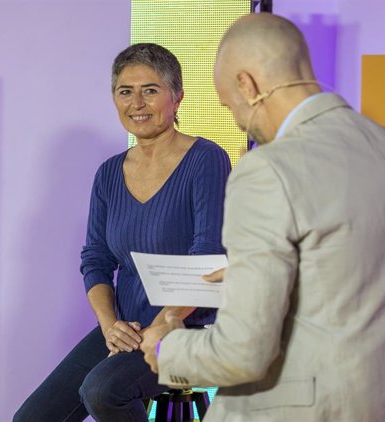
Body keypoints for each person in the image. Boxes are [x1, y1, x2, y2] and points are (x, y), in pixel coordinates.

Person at [141, 13, 385, 422]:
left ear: (247, 86)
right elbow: (365, 273)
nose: (237, 121)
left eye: (229, 106)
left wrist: (167, 349)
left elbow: (242, 353)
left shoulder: (266, 170)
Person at [14, 43, 231, 421]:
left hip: (190, 325)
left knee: (102, 391)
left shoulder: (206, 159)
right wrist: (110, 325)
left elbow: (208, 256)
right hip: (127, 326)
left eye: (150, 90)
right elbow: (96, 259)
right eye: (125, 91)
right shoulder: (109, 173)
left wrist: (163, 324)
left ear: (177, 97)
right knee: (31, 418)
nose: (137, 103)